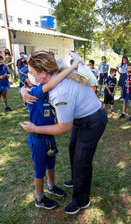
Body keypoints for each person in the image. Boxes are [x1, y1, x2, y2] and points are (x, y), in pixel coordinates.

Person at [20, 51, 108, 215]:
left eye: (32, 72)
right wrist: (23, 91)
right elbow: (31, 88)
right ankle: (77, 180)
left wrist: (34, 129)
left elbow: (63, 128)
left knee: (82, 160)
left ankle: (81, 200)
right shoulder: (56, 72)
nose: (29, 75)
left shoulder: (60, 93)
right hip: (81, 118)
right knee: (73, 149)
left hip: (92, 121)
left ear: (44, 73)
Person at [24, 73, 66, 210]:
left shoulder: (48, 94)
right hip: (37, 139)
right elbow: (50, 83)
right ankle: (39, 198)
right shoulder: (35, 92)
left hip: (49, 136)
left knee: (50, 164)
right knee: (40, 168)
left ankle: (51, 187)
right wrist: (22, 90)